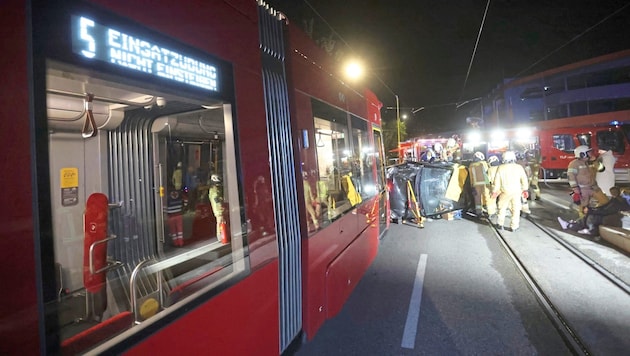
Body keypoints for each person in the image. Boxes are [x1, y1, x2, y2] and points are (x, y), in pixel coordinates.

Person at [557, 186, 630, 236]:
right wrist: (592, 210)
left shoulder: (620, 201)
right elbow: (605, 208)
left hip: (617, 219)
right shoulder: (616, 200)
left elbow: (607, 211)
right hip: (615, 217)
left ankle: (591, 230)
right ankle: (570, 225)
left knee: (592, 217)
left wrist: (592, 211)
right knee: (589, 215)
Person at [491, 151, 529, 232]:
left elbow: (497, 181)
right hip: (517, 191)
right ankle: (514, 226)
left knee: (502, 207)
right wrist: (525, 189)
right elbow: (524, 179)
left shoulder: (501, 168)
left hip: (505, 191)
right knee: (516, 208)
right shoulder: (519, 167)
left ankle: (500, 223)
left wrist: (495, 191)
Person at [567, 145, 608, 217]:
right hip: (582, 190)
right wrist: (576, 190)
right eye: (588, 152)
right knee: (583, 209)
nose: (590, 154)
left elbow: (601, 169)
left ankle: (597, 214)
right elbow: (571, 177)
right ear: (582, 154)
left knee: (605, 202)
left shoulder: (591, 162)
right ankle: (583, 223)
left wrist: (595, 161)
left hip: (594, 187)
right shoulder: (574, 164)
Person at [468, 151, 491, 216]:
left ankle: (478, 211)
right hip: (486, 183)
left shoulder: (471, 165)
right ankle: (489, 211)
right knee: (487, 197)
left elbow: (471, 176)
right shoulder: (485, 163)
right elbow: (488, 172)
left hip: (476, 184)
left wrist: (472, 185)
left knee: (477, 198)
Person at [208, 174, 226, 242]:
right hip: (218, 210)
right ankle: (220, 236)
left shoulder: (211, 191)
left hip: (216, 209)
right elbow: (217, 201)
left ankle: (221, 235)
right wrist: (221, 208)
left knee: (220, 222)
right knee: (220, 222)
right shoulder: (215, 192)